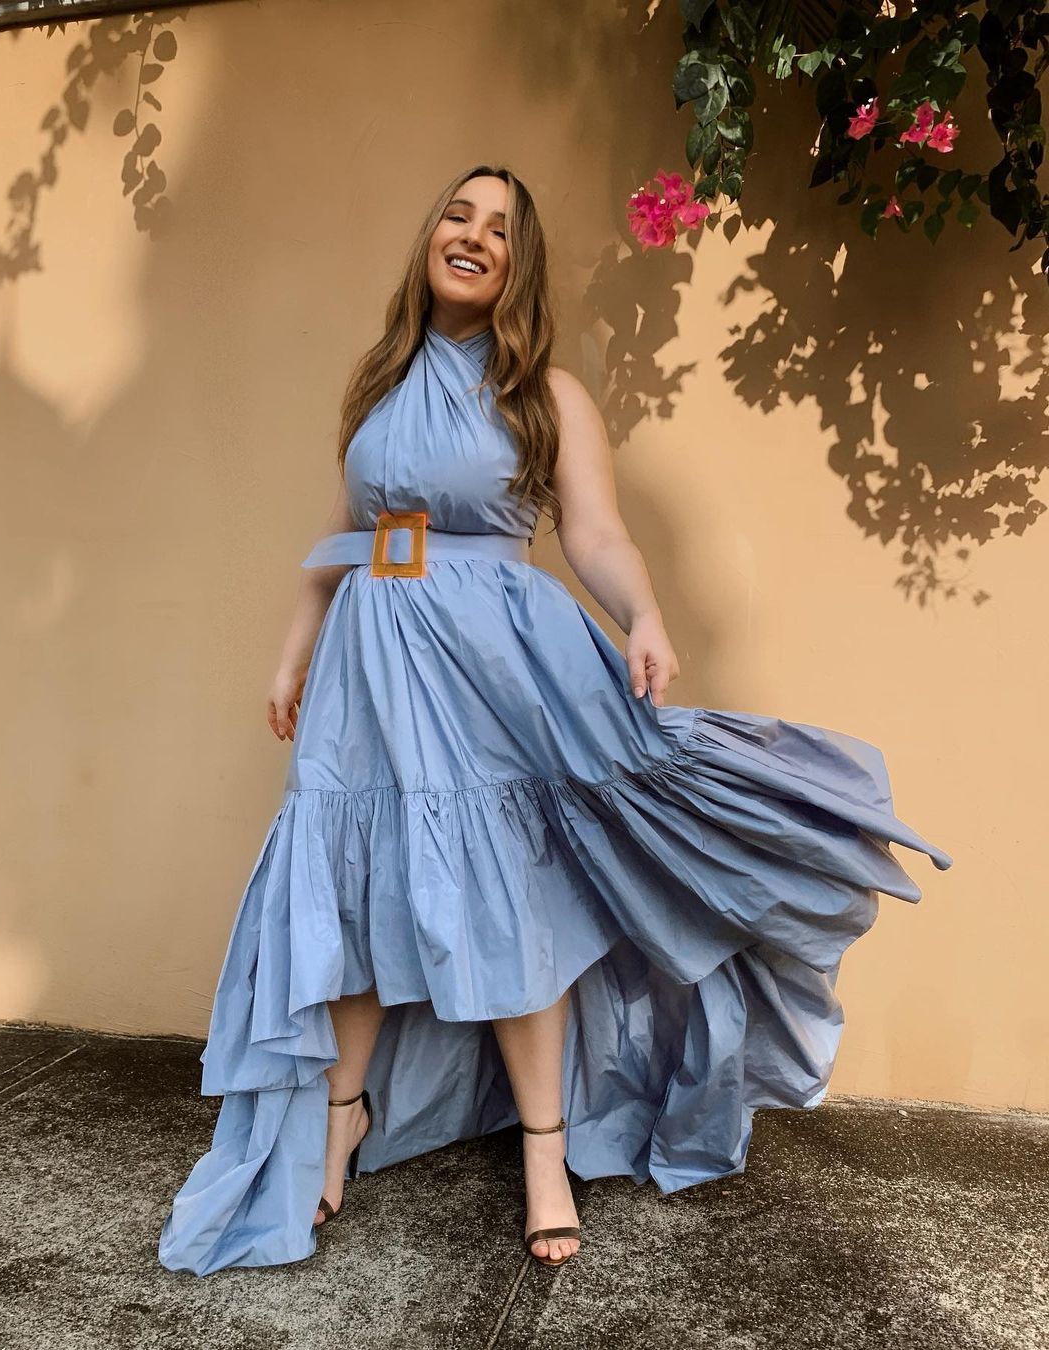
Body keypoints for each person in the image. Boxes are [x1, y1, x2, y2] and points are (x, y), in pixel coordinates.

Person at [157, 164, 953, 1278]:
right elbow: (340, 537)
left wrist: (645, 615)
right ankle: (341, 1119)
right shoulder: (377, 384)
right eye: (458, 215)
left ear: (516, 266)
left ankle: (546, 1153)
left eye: (499, 229)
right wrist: (294, 656)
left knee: (509, 903)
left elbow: (596, 535)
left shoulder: (546, 396)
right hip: (369, 664)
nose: (473, 236)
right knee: (356, 888)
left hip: (492, 667)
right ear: (430, 239)